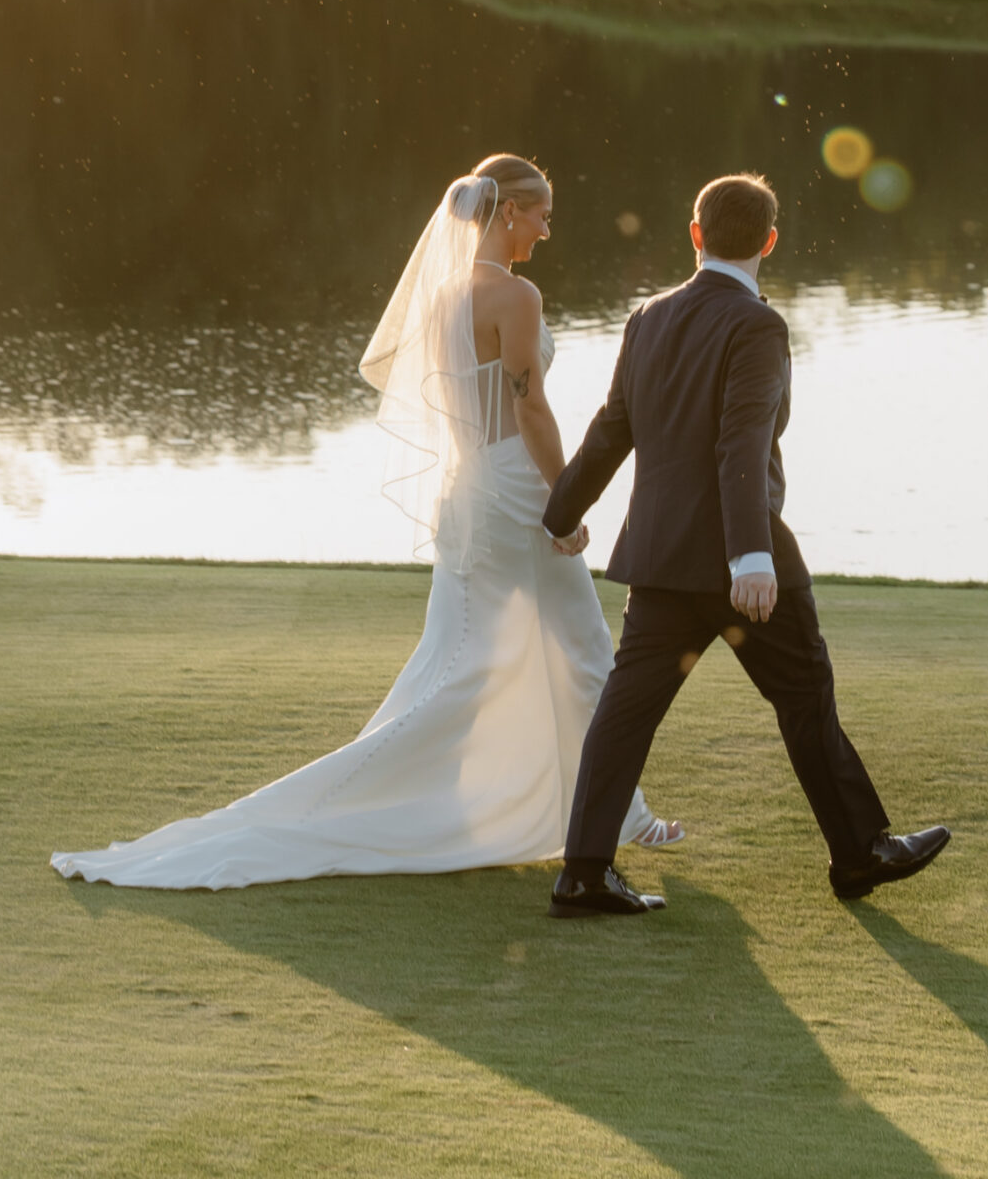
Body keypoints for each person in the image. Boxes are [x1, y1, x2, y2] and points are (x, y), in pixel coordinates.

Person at [50, 155, 679, 889]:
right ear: (507, 211)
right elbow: (529, 405)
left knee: (461, 657)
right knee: (577, 650)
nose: (547, 228)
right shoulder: (515, 296)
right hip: (514, 490)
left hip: (468, 487)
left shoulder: (443, 295)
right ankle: (617, 813)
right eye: (541, 213)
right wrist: (565, 500)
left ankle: (580, 805)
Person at [542, 170, 949, 918]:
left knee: (626, 712)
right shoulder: (759, 324)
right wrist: (750, 557)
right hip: (740, 564)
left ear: (695, 236)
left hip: (661, 562)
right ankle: (859, 853)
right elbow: (742, 440)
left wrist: (560, 513)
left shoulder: (648, 317)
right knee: (804, 695)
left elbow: (611, 430)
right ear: (769, 241)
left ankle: (584, 873)